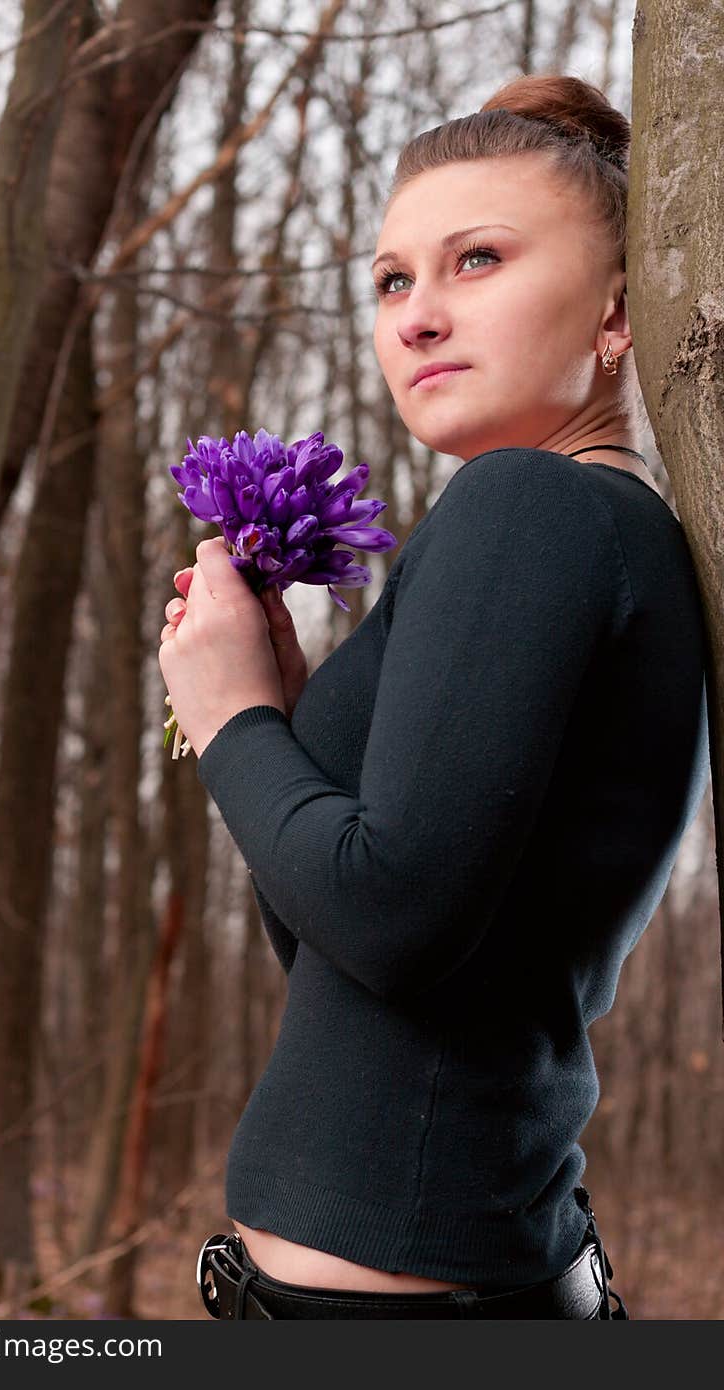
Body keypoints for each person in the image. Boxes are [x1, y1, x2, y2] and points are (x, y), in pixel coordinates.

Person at [158, 73, 711, 1318]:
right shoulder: (603, 530)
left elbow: (392, 917)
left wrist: (230, 718)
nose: (414, 316)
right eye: (393, 279)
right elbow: (336, 950)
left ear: (618, 310)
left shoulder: (532, 503)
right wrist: (292, 730)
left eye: (477, 260)